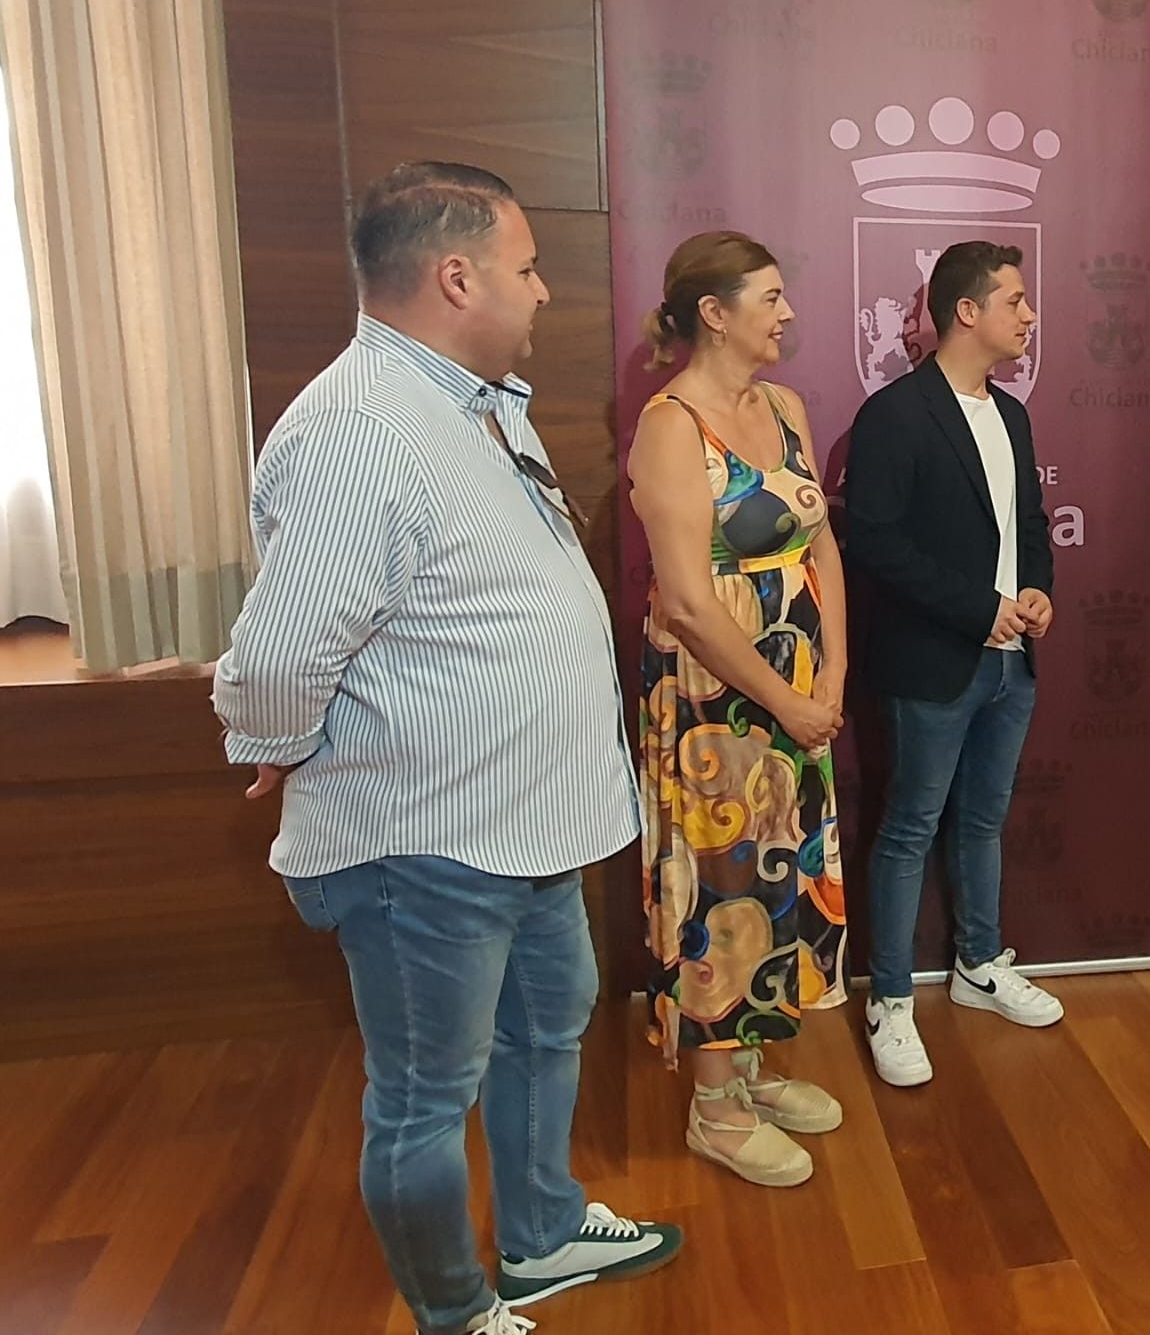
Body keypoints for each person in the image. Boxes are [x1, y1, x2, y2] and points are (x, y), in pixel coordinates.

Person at [212, 163, 680, 1335]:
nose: (544, 291)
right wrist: (273, 740)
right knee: (426, 1097)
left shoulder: (470, 400)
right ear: (457, 277)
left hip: (526, 822)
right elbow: (281, 652)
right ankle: (453, 1313)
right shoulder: (360, 429)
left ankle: (540, 1235)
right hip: (429, 840)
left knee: (548, 1025)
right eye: (527, 267)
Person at [626, 230, 849, 1188]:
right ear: (713, 315)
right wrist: (787, 701)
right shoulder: (671, 426)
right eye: (769, 298)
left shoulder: (785, 406)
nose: (787, 313)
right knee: (719, 882)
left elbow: (819, 544)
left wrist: (832, 674)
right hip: (715, 697)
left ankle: (746, 1066)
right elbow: (685, 600)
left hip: (796, 682)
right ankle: (713, 1108)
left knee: (778, 869)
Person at [843, 241, 1064, 1088]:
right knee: (909, 828)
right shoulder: (895, 415)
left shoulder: (1013, 415)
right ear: (966, 312)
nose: (1030, 315)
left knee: (983, 822)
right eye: (1015, 300)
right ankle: (891, 1000)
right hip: (933, 661)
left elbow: (1030, 525)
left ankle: (979, 964)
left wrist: (1037, 590)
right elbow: (874, 542)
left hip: (1013, 663)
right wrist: (979, 608)